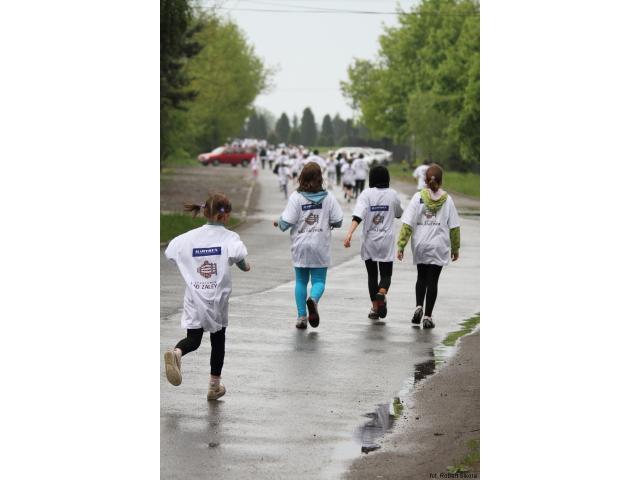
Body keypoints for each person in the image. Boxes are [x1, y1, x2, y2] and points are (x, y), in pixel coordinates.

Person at [163, 193, 251, 401]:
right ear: (225, 216)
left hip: (194, 296)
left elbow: (170, 253)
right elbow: (240, 258)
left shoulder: (186, 238)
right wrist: (246, 266)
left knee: (193, 339)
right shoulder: (230, 238)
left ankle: (177, 353)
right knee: (217, 340)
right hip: (216, 298)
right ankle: (214, 386)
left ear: (205, 212)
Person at [273, 162, 343, 329]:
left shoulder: (296, 197)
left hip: (301, 245)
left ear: (302, 178)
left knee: (301, 281)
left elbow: (286, 222)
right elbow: (338, 221)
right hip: (320, 245)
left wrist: (278, 222)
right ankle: (313, 299)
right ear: (320, 178)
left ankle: (301, 317)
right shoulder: (328, 197)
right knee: (319, 281)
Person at [396, 164, 460, 329]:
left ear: (425, 180)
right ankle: (427, 317)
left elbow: (407, 224)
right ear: (441, 180)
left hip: (421, 244)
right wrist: (455, 248)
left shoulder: (418, 197)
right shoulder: (448, 200)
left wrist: (401, 245)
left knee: (421, 277)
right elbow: (454, 227)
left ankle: (418, 306)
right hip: (439, 245)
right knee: (433, 281)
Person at [343, 166, 403, 320]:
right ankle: (382, 292)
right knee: (386, 274)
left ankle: (375, 308)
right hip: (386, 240)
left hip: (369, 240)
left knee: (372, 275)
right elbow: (398, 214)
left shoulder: (366, 194)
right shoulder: (392, 194)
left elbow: (358, 216)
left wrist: (349, 233)